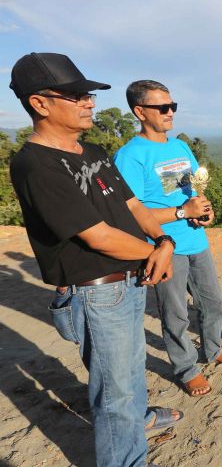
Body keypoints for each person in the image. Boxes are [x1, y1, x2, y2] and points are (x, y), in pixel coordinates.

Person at [9, 53, 182, 467]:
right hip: (97, 293)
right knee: (115, 391)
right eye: (76, 95)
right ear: (40, 103)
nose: (89, 102)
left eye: (87, 94)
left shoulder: (93, 151)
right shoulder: (35, 165)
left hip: (130, 281)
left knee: (127, 371)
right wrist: (155, 252)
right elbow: (98, 237)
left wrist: (164, 240)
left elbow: (133, 204)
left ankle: (137, 420)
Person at [114, 80, 222, 397]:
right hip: (164, 248)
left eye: (173, 105)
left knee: (212, 303)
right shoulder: (130, 156)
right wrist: (183, 213)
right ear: (140, 111)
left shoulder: (180, 147)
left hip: (197, 241)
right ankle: (186, 369)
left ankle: (212, 350)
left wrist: (205, 211)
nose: (170, 112)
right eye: (162, 107)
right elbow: (131, 213)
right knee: (175, 314)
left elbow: (194, 191)